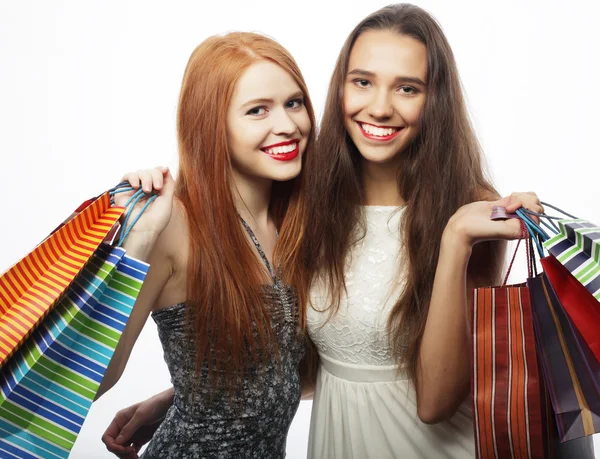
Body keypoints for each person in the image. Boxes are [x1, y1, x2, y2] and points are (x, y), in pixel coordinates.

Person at [102, 4, 594, 458]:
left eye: (408, 87)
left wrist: (456, 240)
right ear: (340, 87)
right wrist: (185, 400)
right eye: (362, 82)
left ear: (434, 100)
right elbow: (322, 353)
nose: (379, 107)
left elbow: (433, 401)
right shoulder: (312, 204)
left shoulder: (458, 210)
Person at [95, 31, 316, 458]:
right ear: (211, 124)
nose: (287, 125)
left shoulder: (295, 224)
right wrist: (138, 238)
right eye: (258, 110)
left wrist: (183, 396)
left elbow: (294, 376)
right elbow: (91, 380)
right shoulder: (175, 223)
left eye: (294, 102)